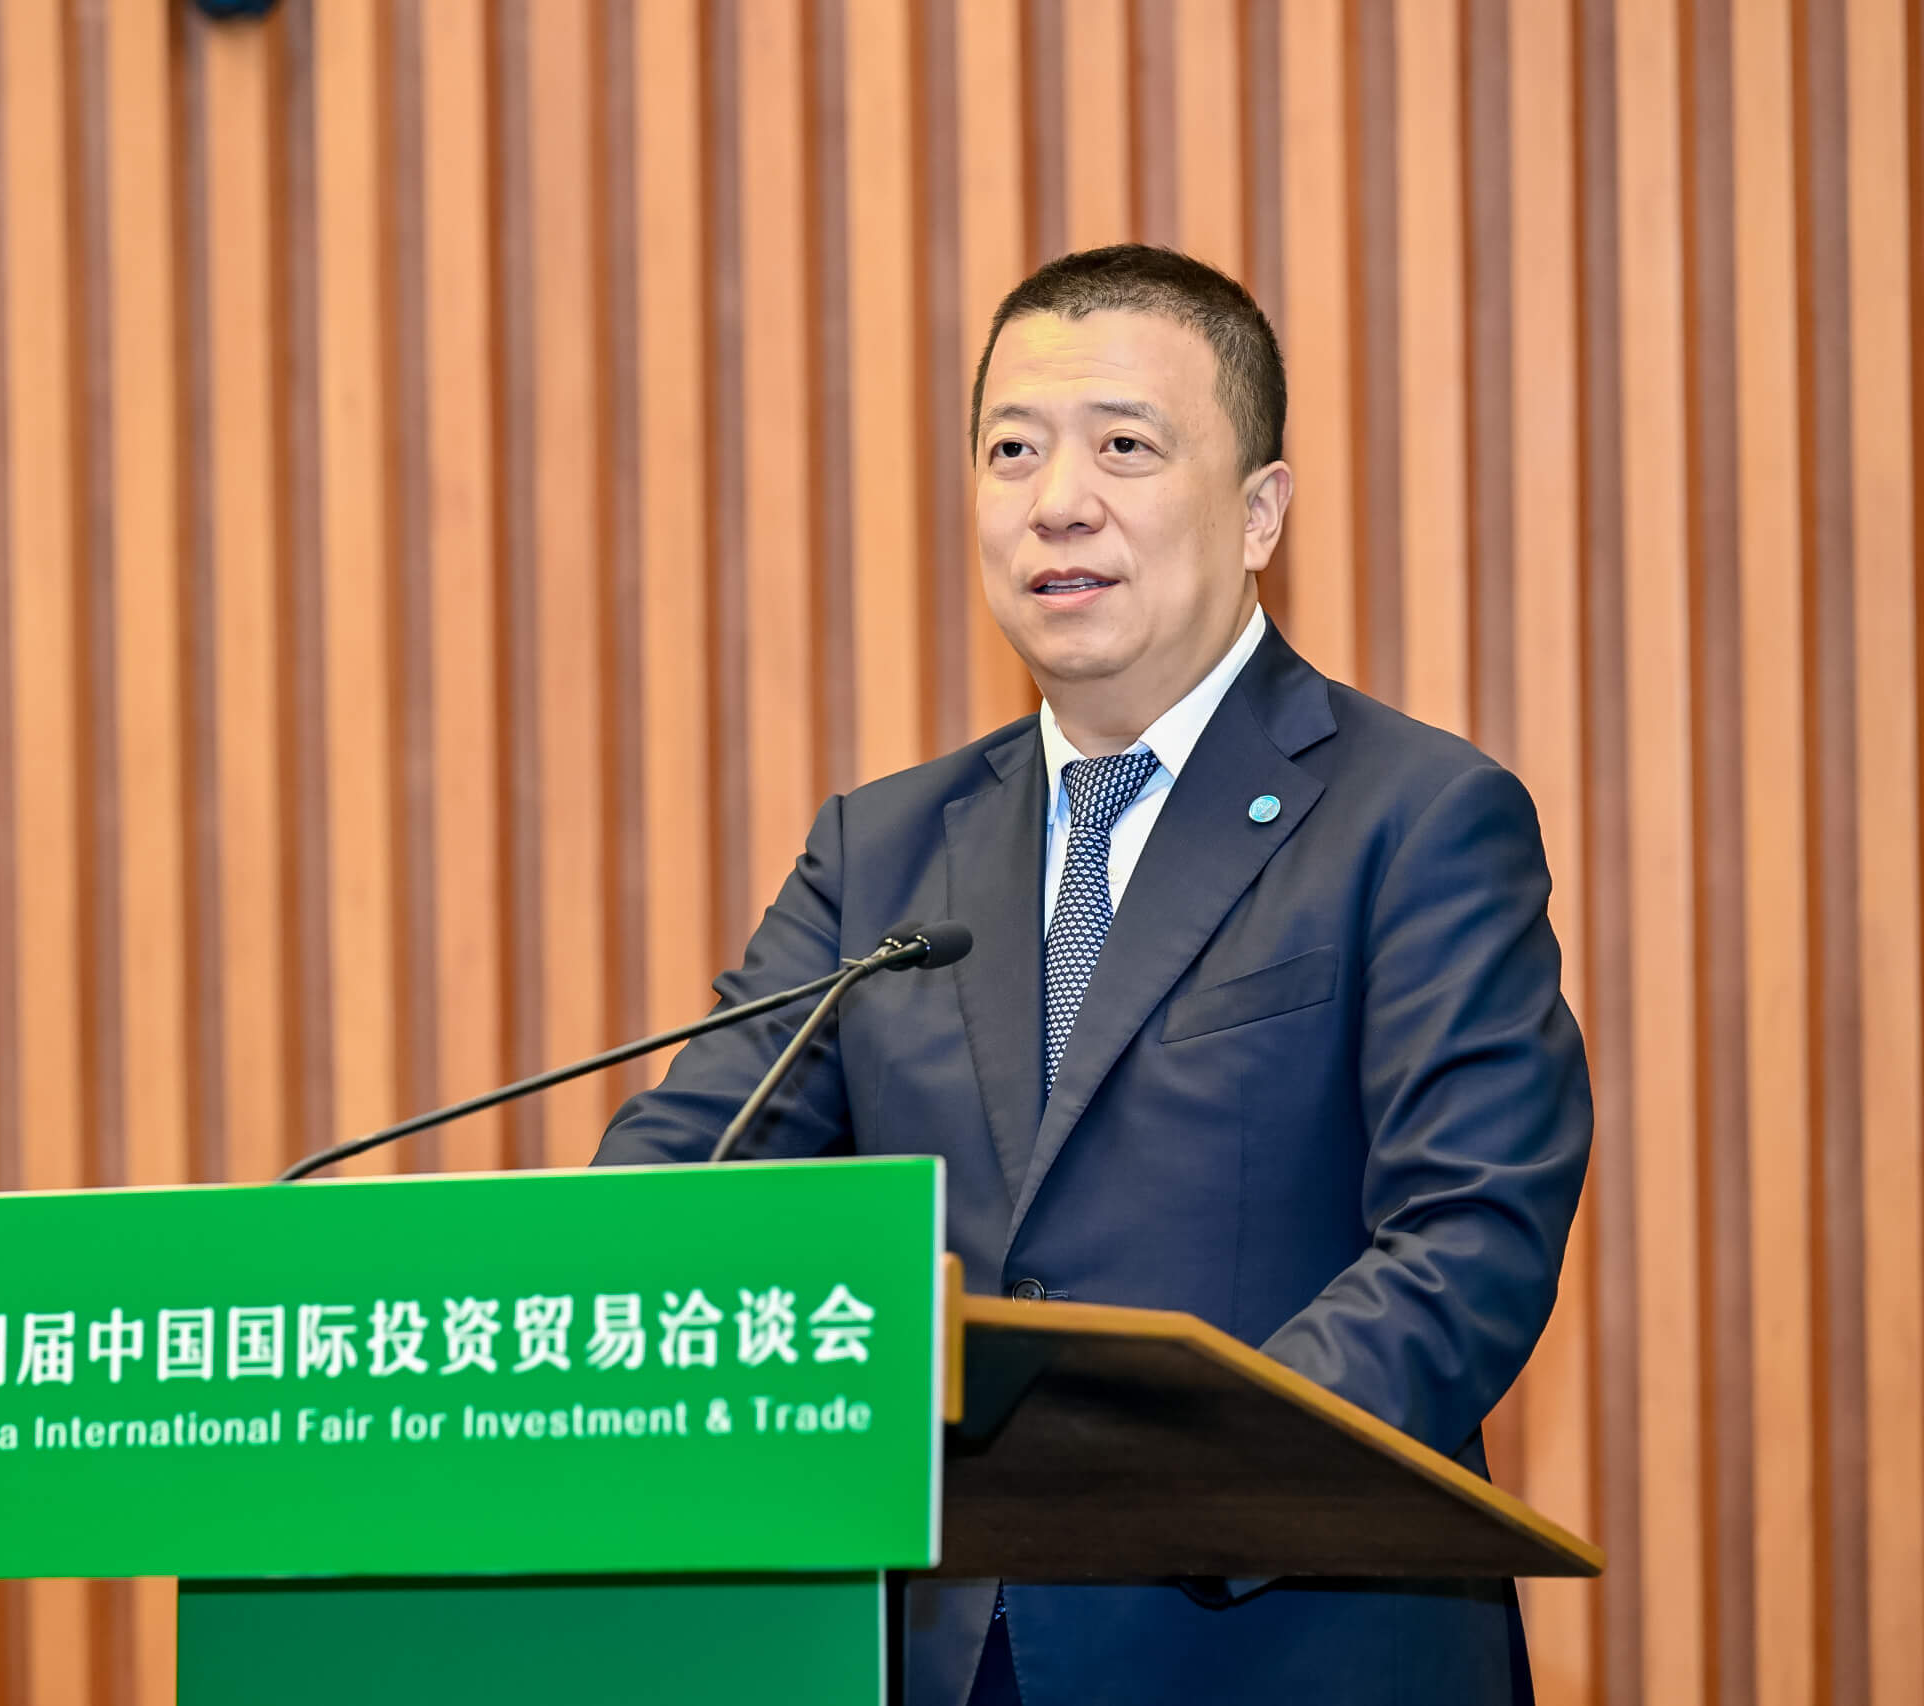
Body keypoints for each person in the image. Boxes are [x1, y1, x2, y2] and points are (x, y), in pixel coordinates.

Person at [592, 245, 1591, 1706]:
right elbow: (680, 1192)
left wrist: (1157, 1474)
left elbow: (1469, 1241)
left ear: (1259, 512)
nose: (1058, 499)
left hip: (1281, 1649)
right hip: (932, 1659)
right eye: (1013, 450)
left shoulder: (1417, 818)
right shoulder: (882, 853)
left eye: (1124, 446)